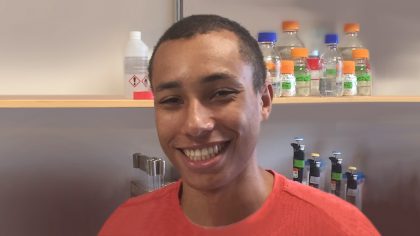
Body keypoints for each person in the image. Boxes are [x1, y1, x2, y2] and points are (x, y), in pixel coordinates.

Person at [99, 15, 379, 235]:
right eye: (171, 100)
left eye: (221, 93)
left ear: (265, 101)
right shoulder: (128, 225)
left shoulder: (337, 227)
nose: (196, 123)